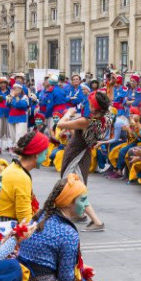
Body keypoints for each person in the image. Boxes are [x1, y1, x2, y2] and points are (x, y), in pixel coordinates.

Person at [19, 174, 100, 281]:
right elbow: (66, 277)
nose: (87, 204)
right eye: (82, 200)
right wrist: (81, 274)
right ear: (69, 203)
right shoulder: (68, 233)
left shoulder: (39, 216)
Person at [54, 91, 110, 231]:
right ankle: (78, 215)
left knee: (74, 187)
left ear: (93, 106)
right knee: (76, 186)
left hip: (76, 155)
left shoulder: (86, 121)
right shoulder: (105, 119)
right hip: (84, 154)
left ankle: (96, 222)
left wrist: (68, 113)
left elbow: (60, 124)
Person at [0, 130, 48, 224]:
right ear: (37, 155)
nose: (47, 158)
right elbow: (25, 220)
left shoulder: (15, 167)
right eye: (45, 154)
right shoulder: (21, 177)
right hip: (1, 226)